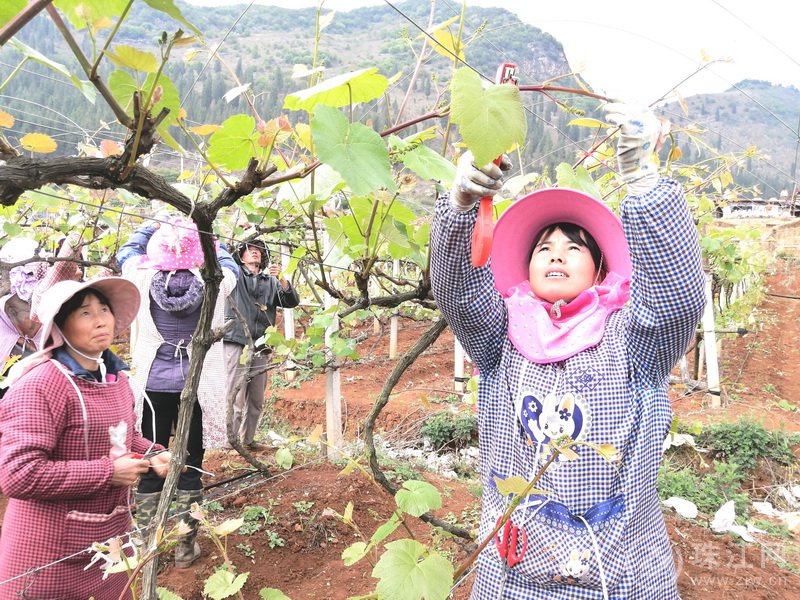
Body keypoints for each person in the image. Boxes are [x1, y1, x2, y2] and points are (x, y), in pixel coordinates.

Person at [430, 104, 706, 599]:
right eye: (544, 247)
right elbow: (459, 294)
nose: (556, 252)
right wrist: (461, 207)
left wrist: (643, 184)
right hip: (515, 561)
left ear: (600, 271)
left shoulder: (629, 341)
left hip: (619, 565)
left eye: (574, 247)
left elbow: (675, 301)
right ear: (528, 266)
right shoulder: (502, 337)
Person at [0, 277, 173, 600]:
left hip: (109, 543)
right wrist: (109, 473)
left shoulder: (116, 378)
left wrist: (152, 455)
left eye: (104, 310)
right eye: (85, 313)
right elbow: (18, 474)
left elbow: (124, 438)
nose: (100, 321)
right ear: (60, 326)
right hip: (49, 557)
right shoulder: (40, 386)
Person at [116, 216, 238, 568]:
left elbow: (127, 251)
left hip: (154, 385)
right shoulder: (214, 281)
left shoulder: (140, 278)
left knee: (151, 459)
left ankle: (145, 546)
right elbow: (229, 264)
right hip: (197, 385)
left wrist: (151, 227)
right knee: (191, 463)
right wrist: (209, 237)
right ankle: (186, 545)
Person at [223, 239, 299, 449]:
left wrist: (282, 279)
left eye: (258, 251)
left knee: (256, 398)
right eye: (249, 250)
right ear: (240, 256)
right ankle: (229, 442)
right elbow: (224, 259)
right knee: (235, 396)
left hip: (261, 344)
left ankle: (247, 440)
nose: (254, 253)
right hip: (237, 340)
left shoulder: (271, 281)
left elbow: (291, 301)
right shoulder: (235, 275)